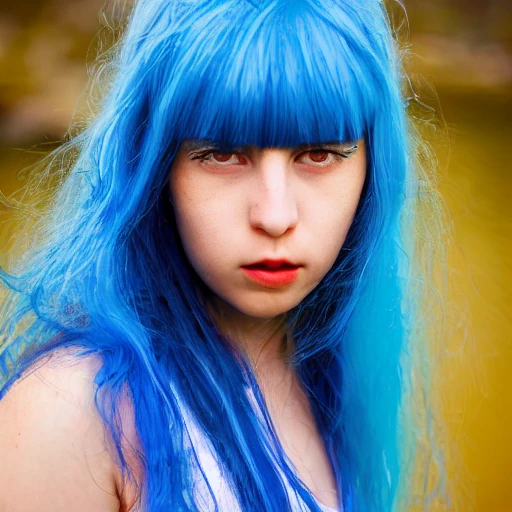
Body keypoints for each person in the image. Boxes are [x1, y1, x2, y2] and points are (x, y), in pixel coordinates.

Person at [0, 0, 450, 511]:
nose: (275, 216)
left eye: (319, 154)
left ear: (373, 167)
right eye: (222, 154)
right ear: (155, 165)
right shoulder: (74, 415)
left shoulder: (337, 383)